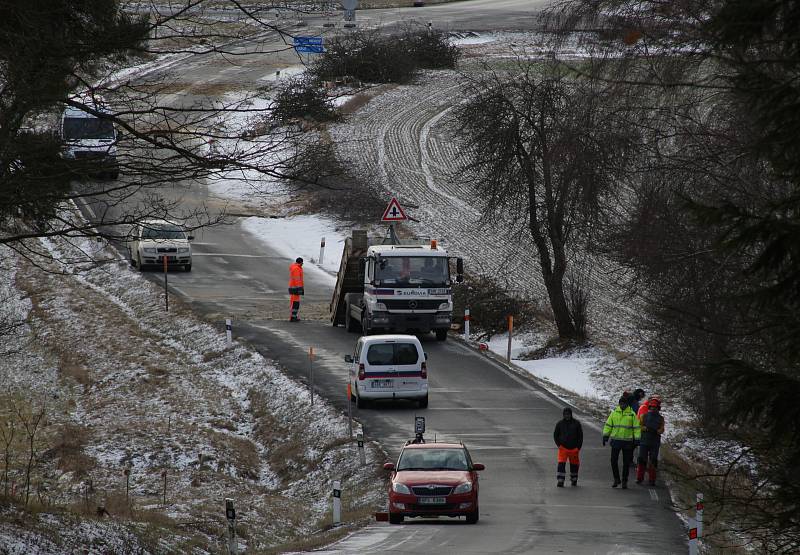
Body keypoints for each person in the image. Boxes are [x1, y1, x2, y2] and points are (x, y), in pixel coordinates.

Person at [602, 395, 641, 489]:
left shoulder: (632, 414)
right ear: (619, 404)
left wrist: (637, 439)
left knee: (626, 462)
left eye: (624, 403)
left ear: (627, 404)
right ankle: (616, 479)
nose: (622, 405)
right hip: (616, 441)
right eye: (621, 403)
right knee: (613, 461)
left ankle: (624, 480)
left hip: (628, 442)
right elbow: (608, 425)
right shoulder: (614, 413)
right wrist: (605, 436)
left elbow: (636, 428)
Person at [636, 398, 665, 486]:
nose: (653, 409)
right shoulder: (643, 416)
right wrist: (645, 429)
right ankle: (639, 478)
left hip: (654, 442)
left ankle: (652, 479)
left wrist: (657, 431)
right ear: (649, 407)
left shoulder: (661, 418)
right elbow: (639, 425)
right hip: (644, 441)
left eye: (655, 407)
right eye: (652, 407)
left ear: (658, 408)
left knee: (653, 460)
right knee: (641, 460)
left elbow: (662, 429)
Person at [553, 407, 583, 487]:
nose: (567, 416)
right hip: (563, 448)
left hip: (574, 449)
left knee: (574, 465)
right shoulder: (559, 424)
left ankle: (574, 479)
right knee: (561, 465)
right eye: (565, 414)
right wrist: (559, 445)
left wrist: (578, 448)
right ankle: (560, 480)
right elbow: (555, 435)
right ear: (563, 415)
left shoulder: (576, 424)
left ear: (571, 414)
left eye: (568, 414)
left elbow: (580, 437)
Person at [288, 257, 304, 321]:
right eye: (302, 263)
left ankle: (294, 316)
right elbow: (297, 279)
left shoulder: (295, 267)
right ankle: (292, 317)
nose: (302, 264)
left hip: (294, 288)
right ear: (300, 262)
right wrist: (299, 288)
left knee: (295, 303)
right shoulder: (297, 268)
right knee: (295, 303)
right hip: (295, 288)